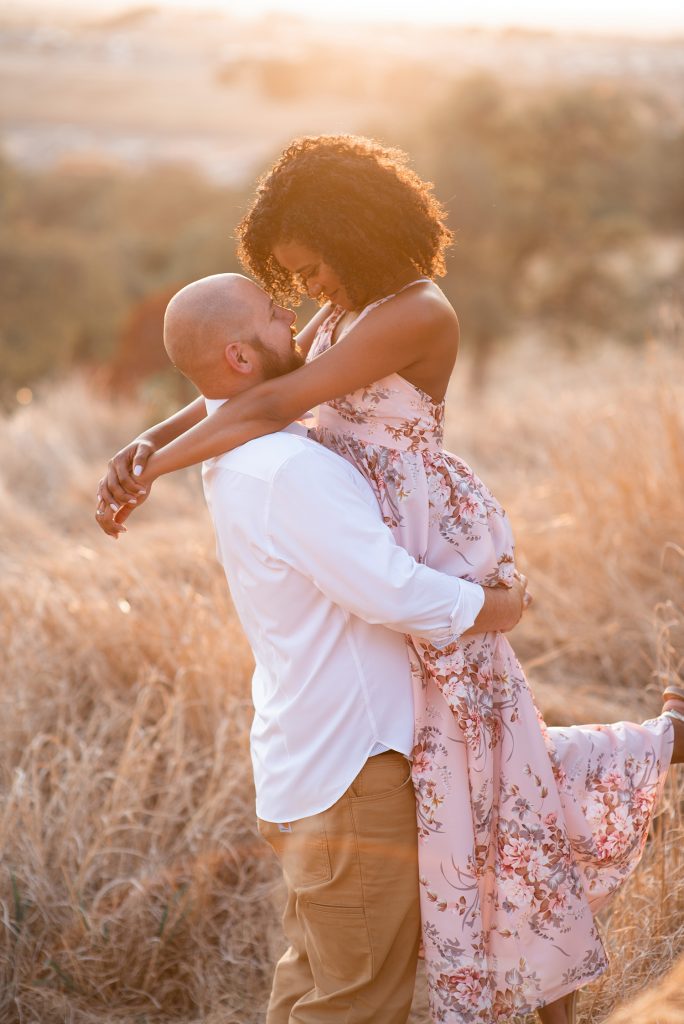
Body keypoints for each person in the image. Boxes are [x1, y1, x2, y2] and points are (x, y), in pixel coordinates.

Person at [96, 137, 684, 1024]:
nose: (309, 291)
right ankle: (663, 746)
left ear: (352, 231)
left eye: (313, 266)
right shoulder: (345, 312)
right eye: (289, 279)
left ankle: (550, 978)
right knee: (483, 778)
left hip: (422, 541)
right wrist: (147, 443)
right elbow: (238, 389)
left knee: (492, 782)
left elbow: (265, 400)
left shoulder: (416, 312)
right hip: (375, 544)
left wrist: (150, 467)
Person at [158, 272, 529, 1022]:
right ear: (239, 357)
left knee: (313, 987)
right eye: (272, 315)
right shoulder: (291, 468)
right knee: (357, 1004)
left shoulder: (244, 454)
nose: (291, 317)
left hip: (308, 765)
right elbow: (390, 590)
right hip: (352, 778)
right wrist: (496, 608)